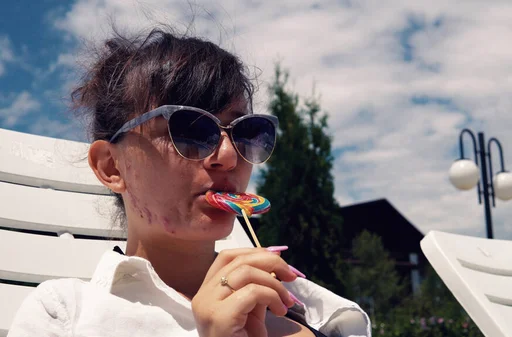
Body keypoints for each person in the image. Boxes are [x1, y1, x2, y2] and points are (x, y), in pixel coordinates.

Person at [8, 26, 370, 337]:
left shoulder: (311, 308)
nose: (228, 155)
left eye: (246, 132)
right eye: (191, 131)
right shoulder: (64, 314)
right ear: (111, 166)